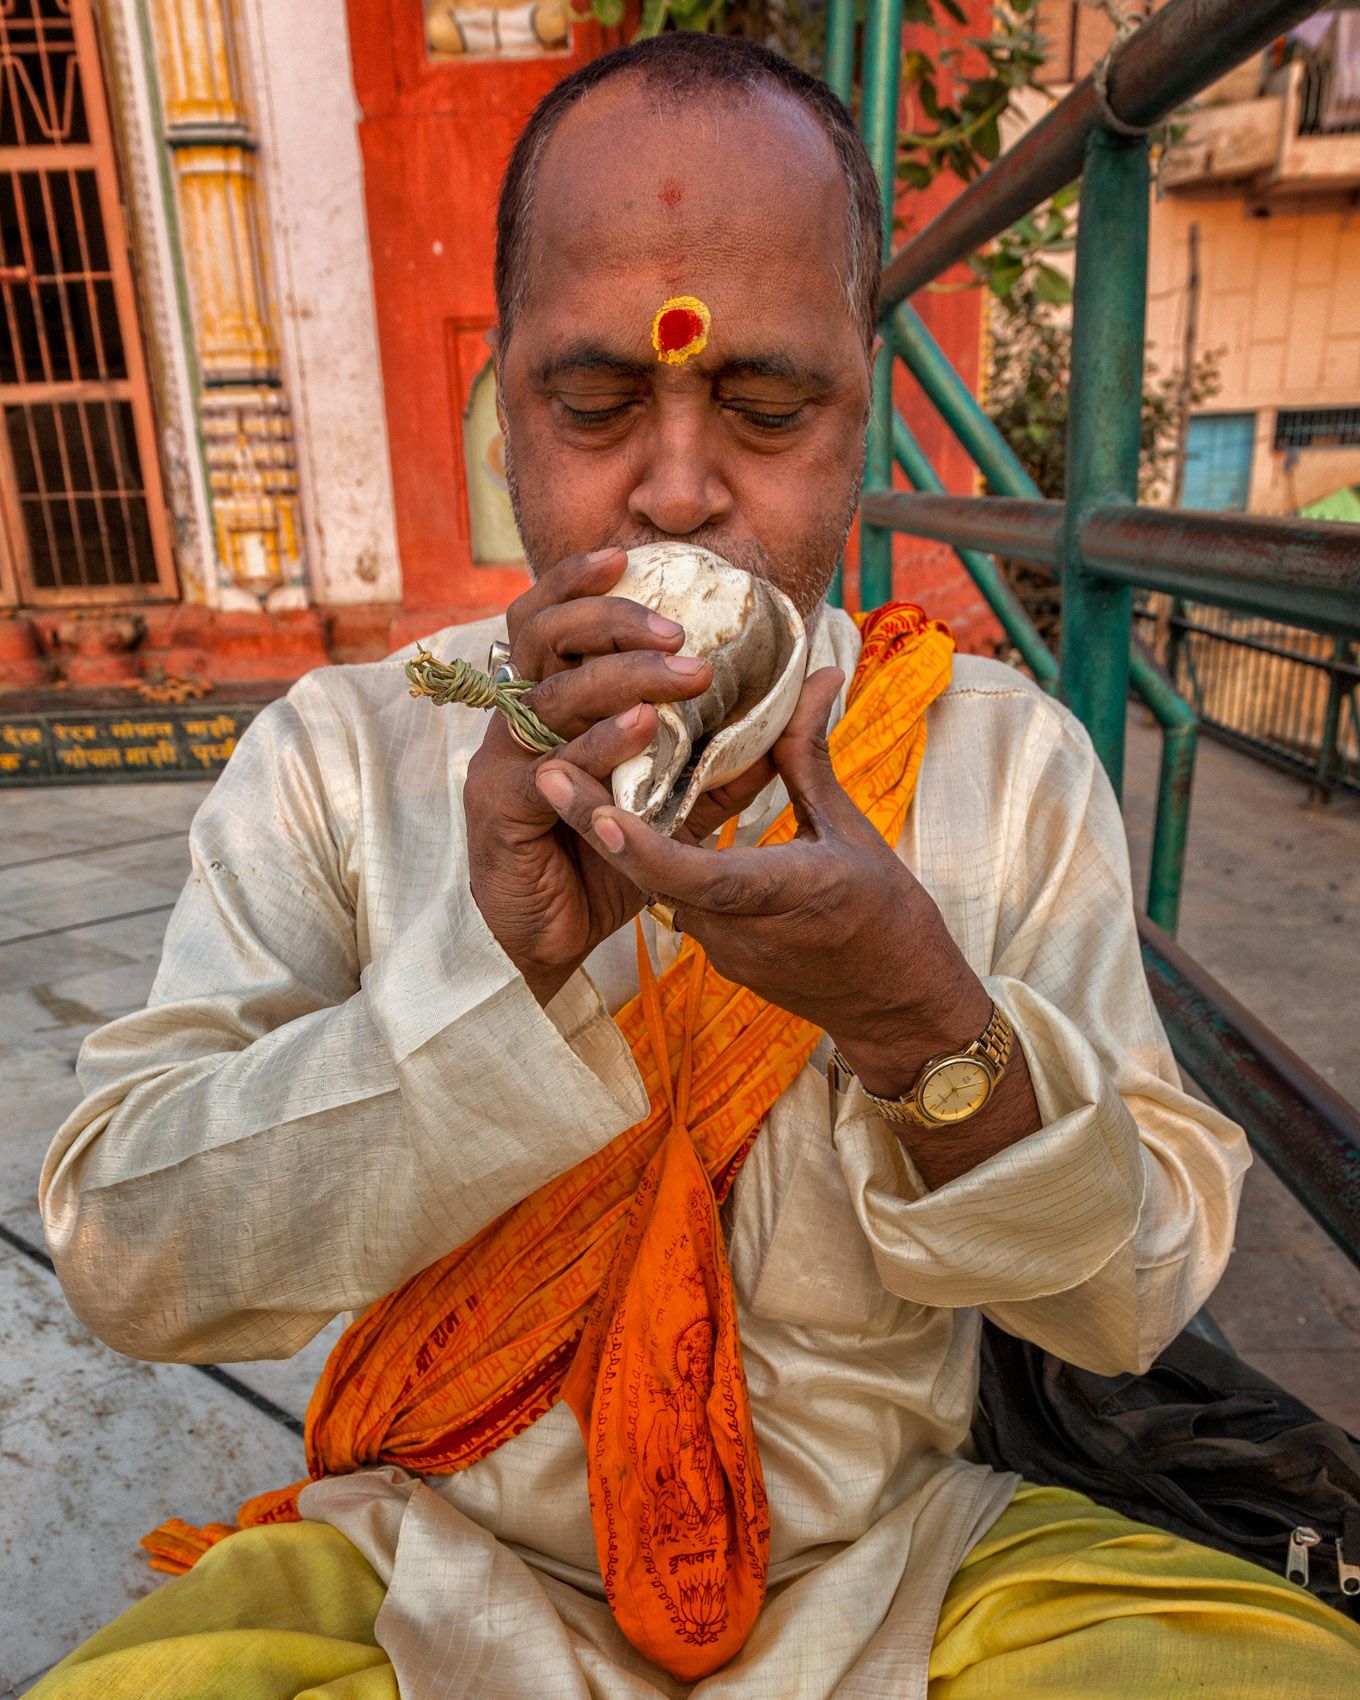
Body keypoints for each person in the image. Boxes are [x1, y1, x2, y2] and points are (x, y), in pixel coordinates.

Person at [35, 29, 1360, 1700]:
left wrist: (930, 1035)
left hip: (898, 1569)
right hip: (425, 1558)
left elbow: (1136, 1300)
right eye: (593, 403)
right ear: (502, 401)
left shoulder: (1002, 766)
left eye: (764, 404)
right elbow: (126, 1255)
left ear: (861, 413)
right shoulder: (345, 755)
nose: (674, 490)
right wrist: (486, 983)